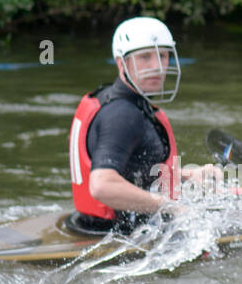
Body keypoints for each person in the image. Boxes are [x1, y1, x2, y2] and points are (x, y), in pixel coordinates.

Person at [68, 16, 210, 234]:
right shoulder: (122, 115)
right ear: (121, 63)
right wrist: (172, 208)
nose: (157, 66)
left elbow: (132, 169)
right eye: (144, 57)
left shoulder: (120, 101)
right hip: (115, 234)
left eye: (162, 56)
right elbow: (102, 185)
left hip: (89, 225)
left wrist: (188, 174)